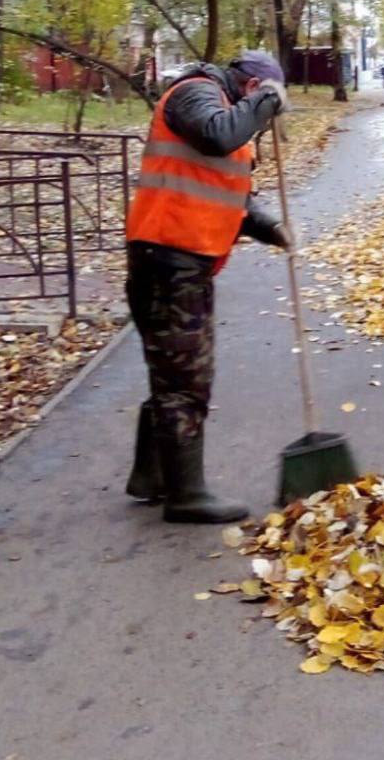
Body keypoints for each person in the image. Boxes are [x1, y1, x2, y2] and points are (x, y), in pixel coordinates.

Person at [124, 50, 291, 523]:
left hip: (179, 261)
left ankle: (152, 476)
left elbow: (226, 197)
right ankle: (186, 496)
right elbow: (218, 135)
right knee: (185, 382)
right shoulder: (195, 93)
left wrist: (271, 228)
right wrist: (266, 105)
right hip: (166, 260)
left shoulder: (228, 113)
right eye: (267, 102)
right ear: (253, 87)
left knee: (172, 373)